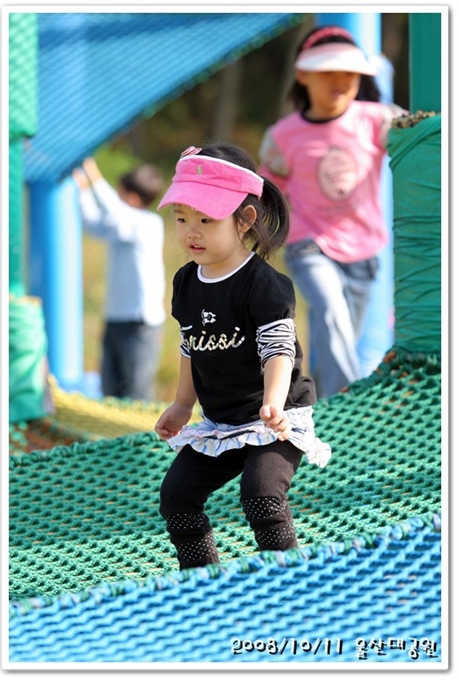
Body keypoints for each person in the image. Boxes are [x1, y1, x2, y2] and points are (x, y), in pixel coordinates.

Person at [155, 143, 331, 571]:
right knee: (176, 496)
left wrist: (273, 402)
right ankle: (201, 579)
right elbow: (191, 345)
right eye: (181, 218)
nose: (191, 232)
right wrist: (181, 404)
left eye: (206, 220)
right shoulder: (186, 281)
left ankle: (285, 580)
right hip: (222, 422)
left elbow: (278, 350)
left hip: (275, 418)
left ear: (245, 219)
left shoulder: (263, 283)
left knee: (260, 493)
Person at [258, 25, 407, 397]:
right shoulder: (283, 136)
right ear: (303, 75)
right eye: (328, 72)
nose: (340, 81)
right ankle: (356, 402)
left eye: (349, 73)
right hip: (309, 244)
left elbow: (421, 139)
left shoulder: (377, 119)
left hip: (364, 252)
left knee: (336, 336)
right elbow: (265, 193)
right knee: (331, 312)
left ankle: (323, 409)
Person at [73, 158, 166, 401]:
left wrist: (94, 175)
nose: (115, 196)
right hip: (115, 318)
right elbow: (93, 223)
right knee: (110, 390)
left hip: (140, 324)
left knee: (137, 392)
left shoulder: (147, 224)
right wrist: (84, 190)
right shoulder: (122, 224)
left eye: (119, 192)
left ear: (132, 198)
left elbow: (113, 210)